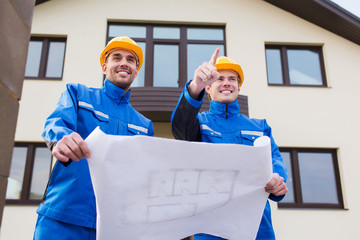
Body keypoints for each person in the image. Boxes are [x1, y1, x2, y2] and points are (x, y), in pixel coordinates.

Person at [33, 36, 154, 240]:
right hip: (63, 218)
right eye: (117, 57)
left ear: (136, 71)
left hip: (112, 228)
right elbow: (56, 123)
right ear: (105, 66)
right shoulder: (78, 94)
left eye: (131, 60)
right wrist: (60, 139)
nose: (124, 62)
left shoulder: (144, 125)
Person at [171, 48, 288, 240]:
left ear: (239, 87)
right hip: (210, 229)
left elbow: (275, 161)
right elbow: (180, 128)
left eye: (232, 79)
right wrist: (196, 85)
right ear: (208, 88)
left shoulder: (260, 126)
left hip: (257, 228)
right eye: (220, 78)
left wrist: (277, 179)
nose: (226, 83)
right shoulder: (199, 123)